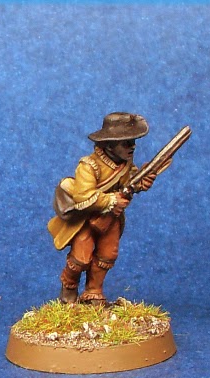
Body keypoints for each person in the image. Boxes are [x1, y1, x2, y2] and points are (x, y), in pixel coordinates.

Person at [47, 112, 156, 304]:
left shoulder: (125, 164)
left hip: (111, 218)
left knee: (107, 255)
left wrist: (141, 182)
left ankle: (93, 292)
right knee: (80, 258)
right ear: (109, 144)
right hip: (87, 219)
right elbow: (84, 196)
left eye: (132, 141)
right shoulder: (89, 166)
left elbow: (129, 182)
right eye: (126, 143)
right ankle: (69, 289)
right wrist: (112, 200)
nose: (132, 146)